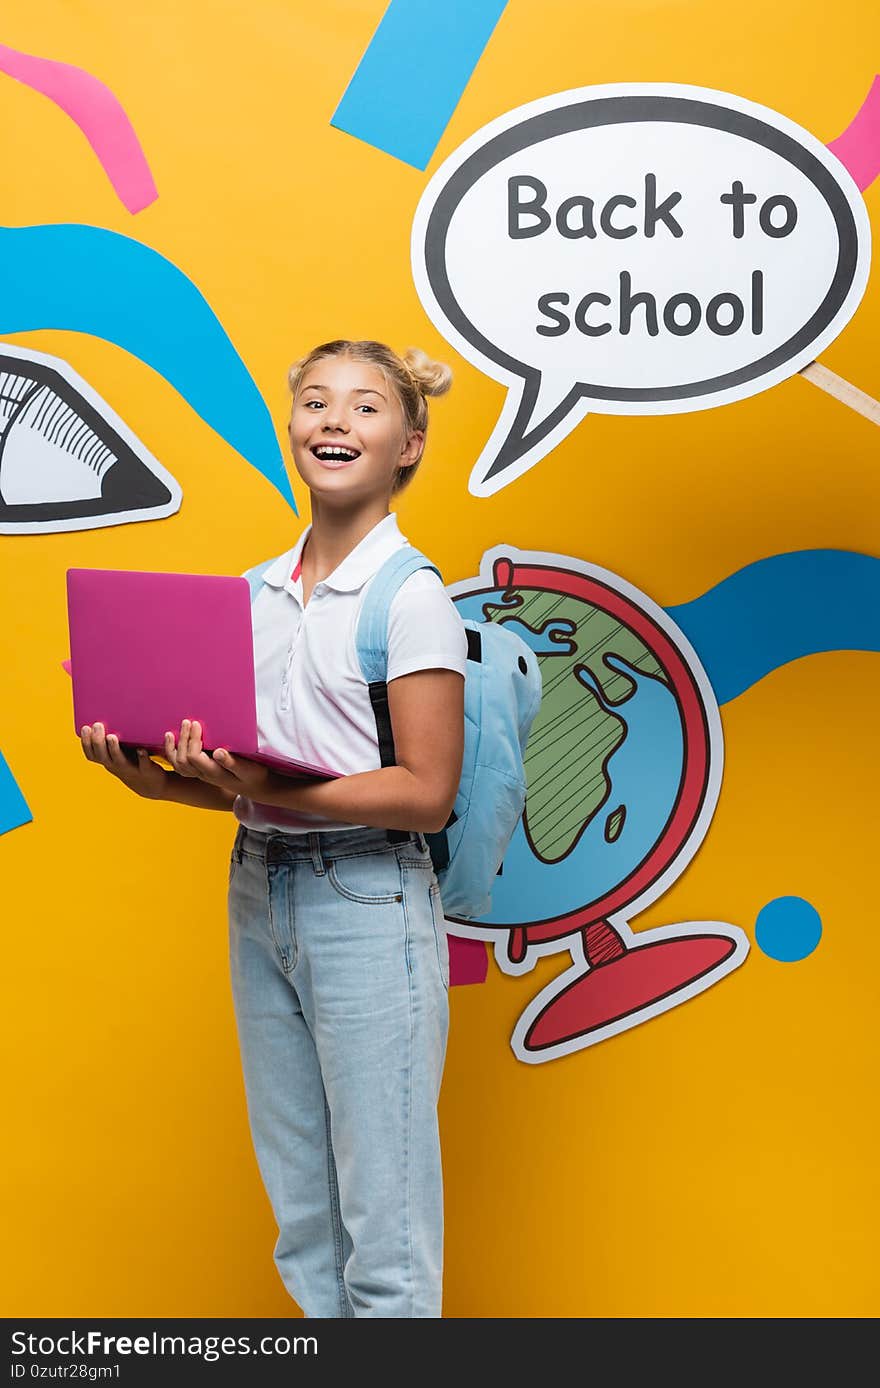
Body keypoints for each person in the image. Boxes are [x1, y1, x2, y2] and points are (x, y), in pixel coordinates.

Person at [79, 339, 467, 1318]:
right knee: (305, 1223)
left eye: (365, 407)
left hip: (369, 898)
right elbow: (258, 777)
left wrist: (281, 793)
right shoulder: (249, 595)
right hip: (262, 887)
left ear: (407, 446)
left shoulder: (409, 596)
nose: (334, 421)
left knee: (385, 1235)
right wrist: (164, 784)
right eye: (315, 402)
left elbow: (426, 794)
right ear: (291, 427)